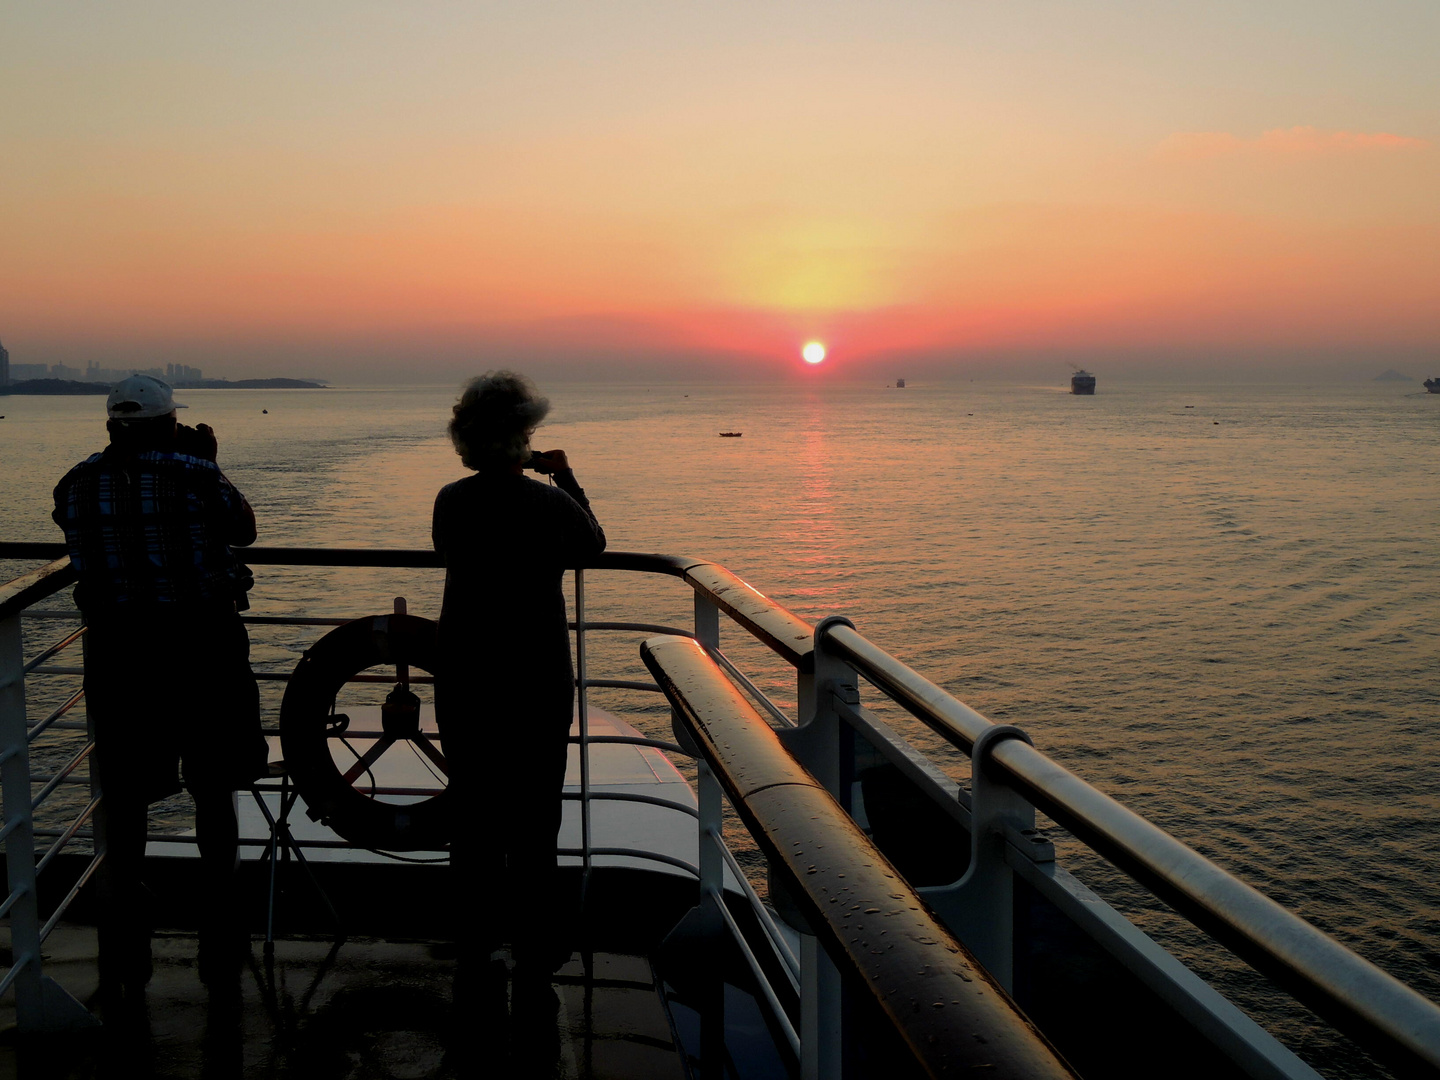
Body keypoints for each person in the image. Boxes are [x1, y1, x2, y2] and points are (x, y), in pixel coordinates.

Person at [52, 374, 267, 987]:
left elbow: (67, 522)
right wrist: (208, 461)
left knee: (126, 780)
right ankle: (218, 896)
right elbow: (243, 528)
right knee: (213, 775)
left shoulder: (76, 481)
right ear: (170, 421)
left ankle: (130, 892)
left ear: (112, 424)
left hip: (120, 649)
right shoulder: (196, 473)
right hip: (202, 643)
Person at [432, 371, 606, 989]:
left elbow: (442, 550)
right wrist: (564, 476)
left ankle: (475, 938)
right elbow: (594, 547)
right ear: (521, 440)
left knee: (474, 814)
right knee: (536, 819)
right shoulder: (551, 503)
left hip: (467, 677)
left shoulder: (451, 500)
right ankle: (534, 944)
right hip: (536, 678)